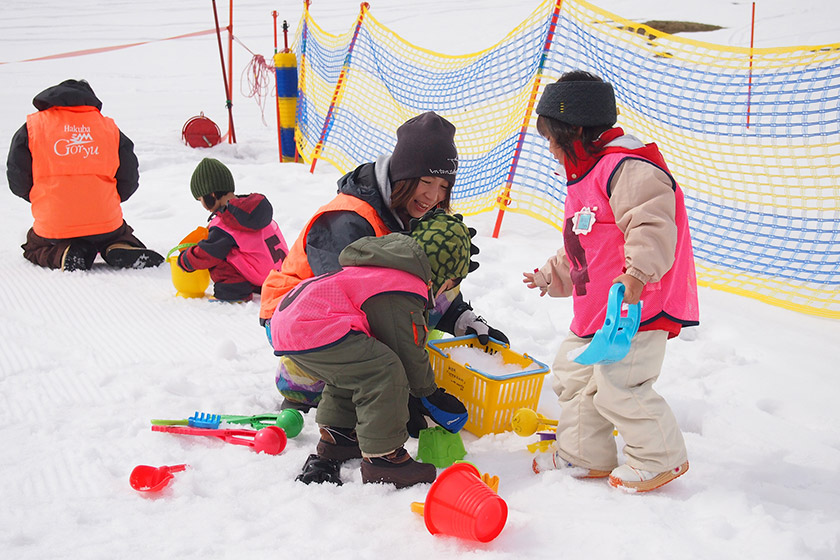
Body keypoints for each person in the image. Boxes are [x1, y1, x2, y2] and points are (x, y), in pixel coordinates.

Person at [522, 70, 699, 492]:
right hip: (598, 311)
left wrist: (637, 274)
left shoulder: (628, 168)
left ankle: (660, 459)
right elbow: (585, 245)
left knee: (621, 384)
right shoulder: (585, 174)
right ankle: (583, 454)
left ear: (575, 130)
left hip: (636, 306)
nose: (549, 149)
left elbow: (653, 225)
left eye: (552, 138)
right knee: (575, 377)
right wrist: (553, 274)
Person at [260, 111, 508, 410]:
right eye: (426, 181)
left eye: (444, 186)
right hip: (296, 315)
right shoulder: (348, 220)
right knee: (384, 329)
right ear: (403, 176)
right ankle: (300, 383)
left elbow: (424, 279)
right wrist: (408, 388)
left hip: (345, 308)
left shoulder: (413, 212)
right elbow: (348, 305)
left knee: (414, 286)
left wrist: (459, 317)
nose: (433, 195)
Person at [270, 212, 472, 488]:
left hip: (292, 322)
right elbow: (407, 349)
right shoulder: (406, 286)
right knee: (384, 370)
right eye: (449, 285)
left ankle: (338, 437)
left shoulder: (379, 271)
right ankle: (384, 459)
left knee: (358, 368)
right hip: (311, 326)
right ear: (441, 274)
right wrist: (428, 393)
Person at [6, 79, 164, 271]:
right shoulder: (109, 128)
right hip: (105, 222)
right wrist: (109, 198)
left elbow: (17, 177)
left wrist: (40, 197)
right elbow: (129, 177)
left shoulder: (32, 127)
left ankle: (64, 253)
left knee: (34, 245)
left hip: (54, 222)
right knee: (118, 231)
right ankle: (120, 245)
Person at [176, 158, 289, 302]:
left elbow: (207, 253)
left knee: (219, 256)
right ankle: (252, 283)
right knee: (235, 247)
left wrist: (186, 259)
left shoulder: (226, 222)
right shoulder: (250, 211)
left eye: (201, 200)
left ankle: (233, 292)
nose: (203, 205)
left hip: (262, 276)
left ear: (211, 195)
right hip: (282, 274)